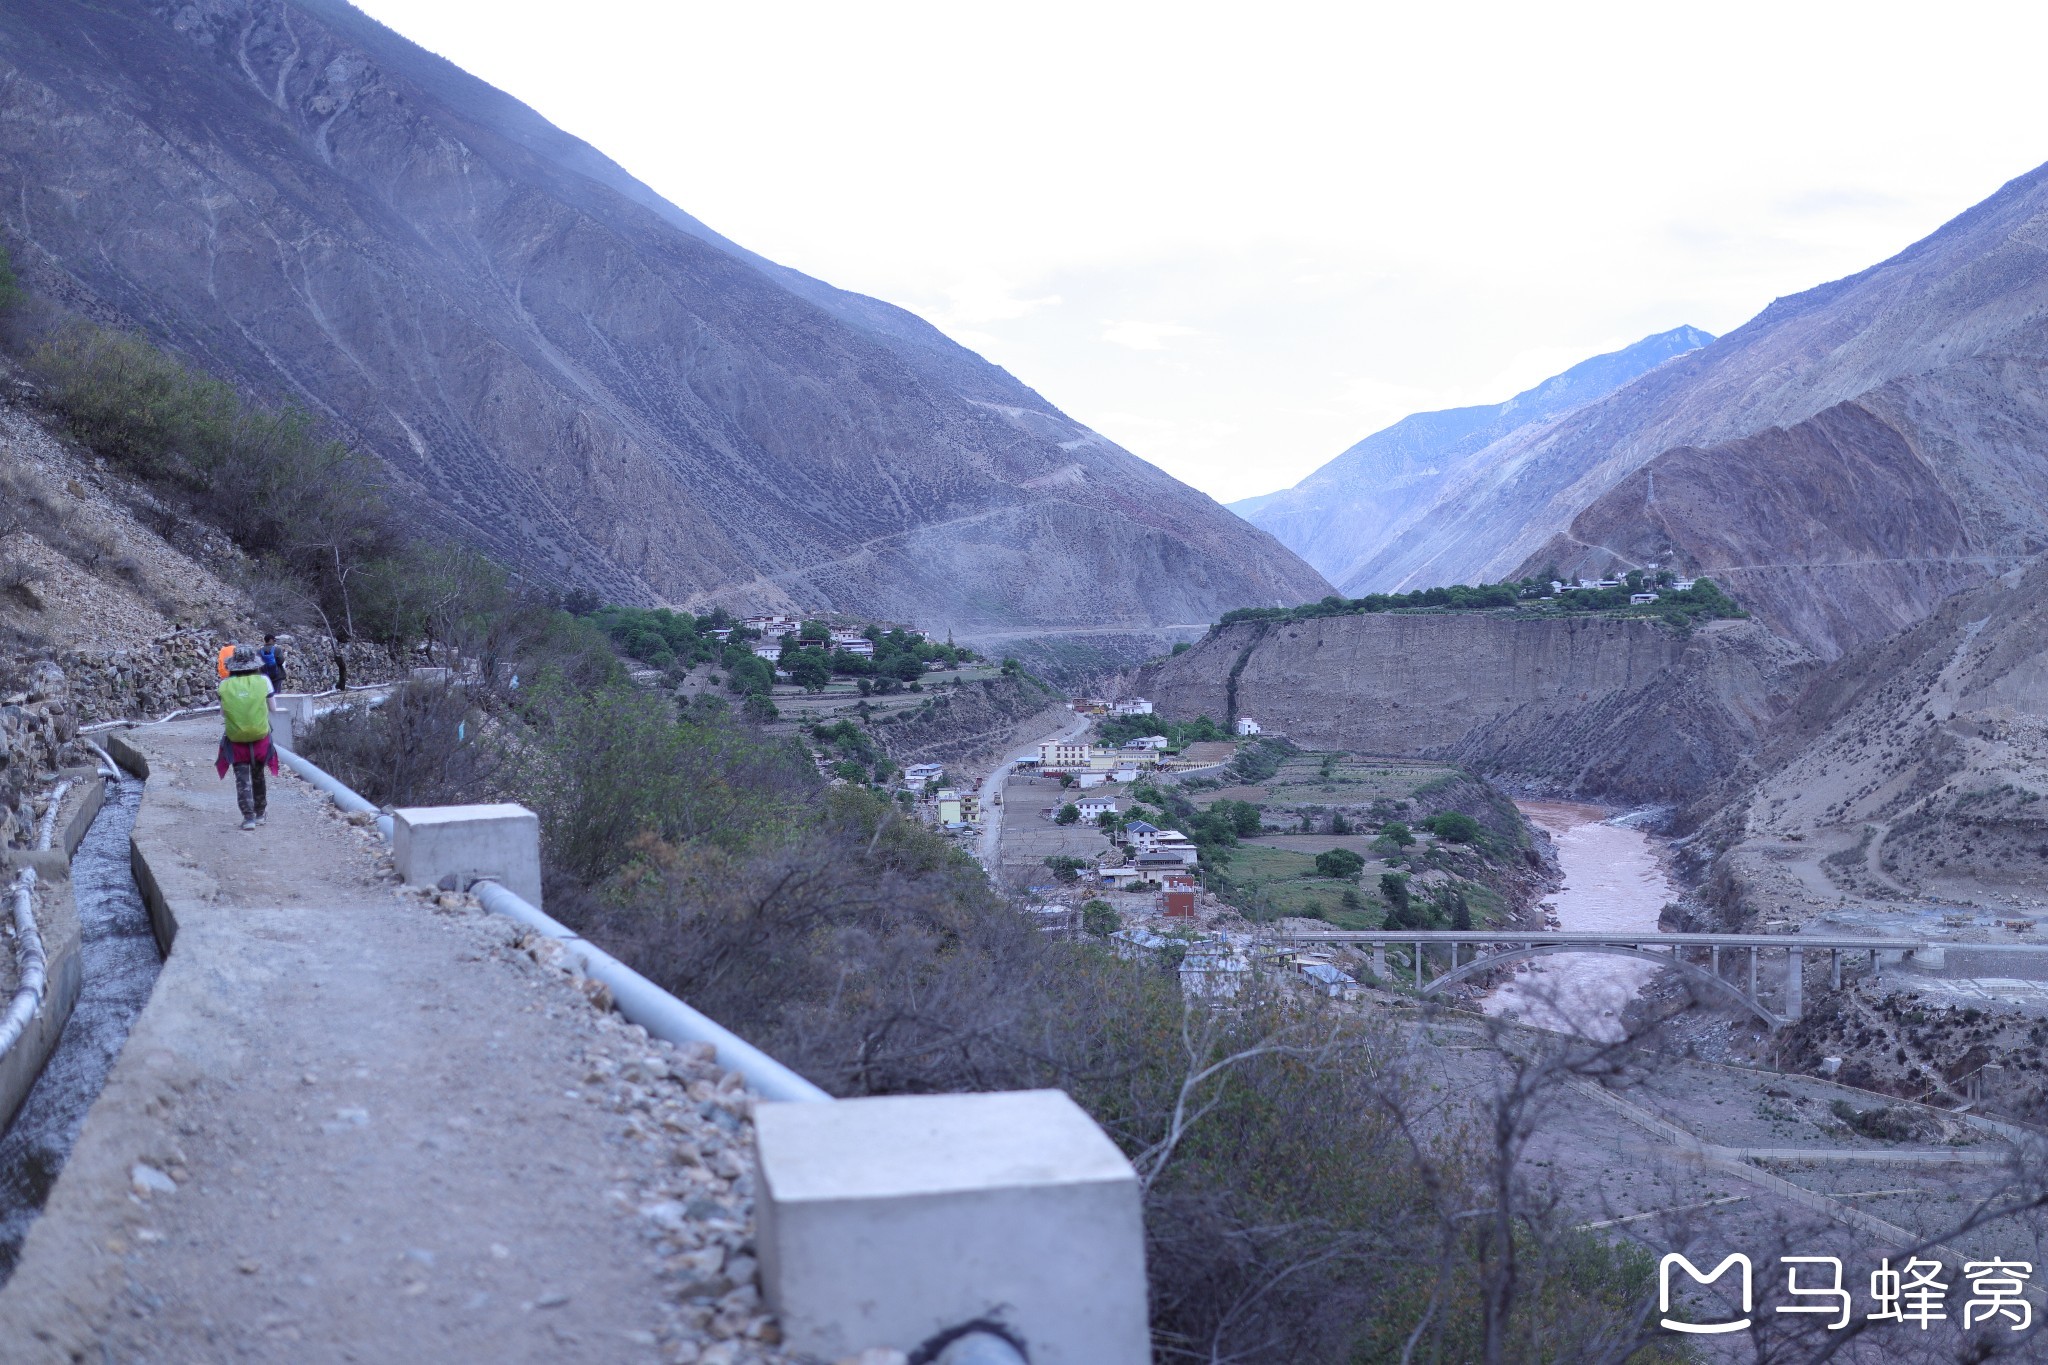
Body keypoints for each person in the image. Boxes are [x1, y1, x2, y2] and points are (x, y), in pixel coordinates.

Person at [215, 646, 277, 831]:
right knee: (258, 776)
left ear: (233, 665)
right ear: (254, 663)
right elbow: (273, 708)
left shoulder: (224, 685)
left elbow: (222, 713)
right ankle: (260, 814)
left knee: (242, 779)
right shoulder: (264, 681)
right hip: (260, 738)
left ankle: (248, 818)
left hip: (236, 740)